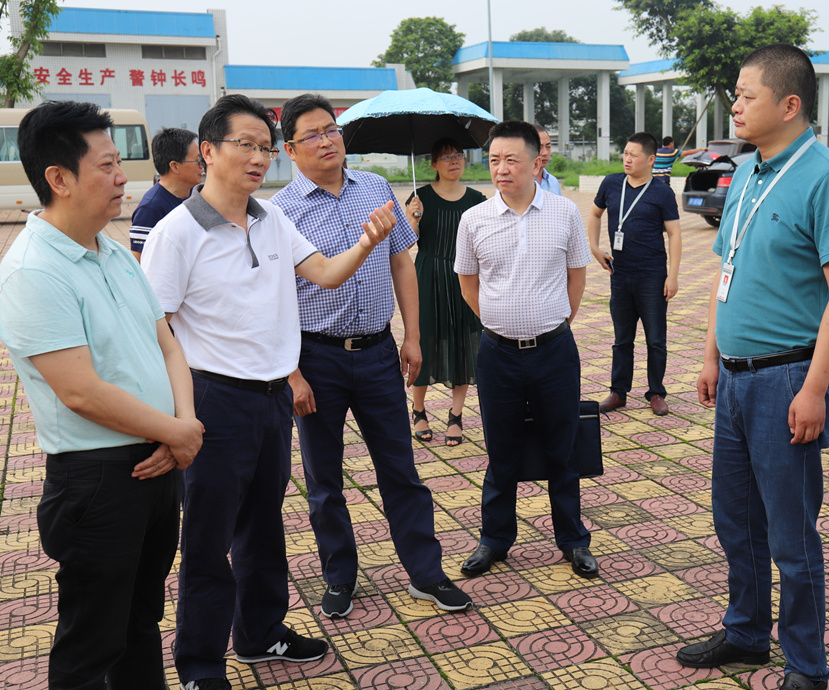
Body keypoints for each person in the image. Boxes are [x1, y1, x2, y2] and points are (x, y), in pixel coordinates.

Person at [141, 94, 397, 690]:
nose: (259, 158)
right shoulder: (176, 234)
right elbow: (154, 330)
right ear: (207, 152)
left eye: (264, 147)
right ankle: (201, 666)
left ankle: (259, 634)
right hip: (212, 402)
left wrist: (366, 241)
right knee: (206, 541)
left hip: (271, 399)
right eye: (245, 145)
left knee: (263, 525)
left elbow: (326, 274)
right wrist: (172, 421)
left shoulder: (271, 218)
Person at [0, 101, 204, 689]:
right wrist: (177, 433)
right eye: (108, 165)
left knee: (141, 621)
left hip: (160, 461)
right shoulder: (34, 271)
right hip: (97, 482)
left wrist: (181, 426)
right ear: (59, 178)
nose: (123, 177)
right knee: (92, 641)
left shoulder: (111, 250)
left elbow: (167, 344)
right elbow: (80, 392)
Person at [271, 93, 473, 620]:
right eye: (312, 134)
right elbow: (272, 300)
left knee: (400, 469)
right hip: (316, 359)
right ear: (291, 149)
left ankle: (426, 573)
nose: (326, 140)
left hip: (379, 351)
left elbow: (403, 264)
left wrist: (413, 337)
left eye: (331, 129)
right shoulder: (278, 213)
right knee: (324, 479)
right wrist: (292, 374)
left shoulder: (377, 189)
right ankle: (340, 576)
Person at [675, 44, 829, 690]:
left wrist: (815, 389)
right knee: (733, 516)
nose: (732, 105)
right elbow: (723, 271)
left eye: (745, 96)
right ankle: (744, 633)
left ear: (789, 104)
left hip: (787, 378)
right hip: (734, 376)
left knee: (789, 534)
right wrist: (710, 354)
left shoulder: (819, 175)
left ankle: (805, 665)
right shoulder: (745, 173)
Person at [455, 120, 598, 580]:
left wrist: (555, 322)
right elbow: (468, 284)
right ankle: (495, 539)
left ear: (537, 161)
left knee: (563, 447)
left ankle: (573, 540)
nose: (501, 169)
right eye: (494, 160)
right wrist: (500, 321)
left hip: (554, 352)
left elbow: (577, 277)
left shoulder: (564, 213)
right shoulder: (473, 218)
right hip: (497, 354)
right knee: (502, 450)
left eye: (511, 159)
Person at [587, 132, 681, 416]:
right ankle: (618, 392)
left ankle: (656, 392)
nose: (627, 159)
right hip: (620, 273)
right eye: (625, 153)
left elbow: (675, 234)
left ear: (651, 159)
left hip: (652, 276)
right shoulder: (612, 183)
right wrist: (594, 247)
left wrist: (672, 276)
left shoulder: (662, 192)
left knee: (655, 339)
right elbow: (594, 214)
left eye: (633, 154)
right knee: (622, 339)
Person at [404, 138, 486, 446]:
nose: (455, 161)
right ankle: (419, 410)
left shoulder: (478, 200)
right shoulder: (420, 197)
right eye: (447, 157)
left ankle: (455, 415)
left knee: (464, 342)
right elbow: (408, 244)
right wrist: (413, 218)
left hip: (464, 277)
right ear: (434, 164)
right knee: (425, 341)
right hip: (428, 276)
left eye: (459, 156)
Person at [129, 127, 203, 261]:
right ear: (175, 166)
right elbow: (139, 260)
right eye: (197, 160)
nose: (202, 165)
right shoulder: (150, 208)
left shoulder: (197, 196)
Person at [533, 124, 562, 195]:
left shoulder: (553, 182)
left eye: (548, 147)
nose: (545, 153)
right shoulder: (519, 183)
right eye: (539, 147)